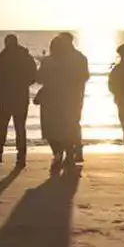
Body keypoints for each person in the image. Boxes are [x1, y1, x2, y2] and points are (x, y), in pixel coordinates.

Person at [36, 33, 90, 173]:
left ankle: (61, 154)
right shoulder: (75, 59)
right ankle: (70, 154)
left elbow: (40, 78)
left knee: (51, 129)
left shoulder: (49, 61)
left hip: (52, 100)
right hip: (70, 99)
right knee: (66, 128)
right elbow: (83, 77)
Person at [0, 34, 38, 166]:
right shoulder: (25, 56)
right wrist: (24, 84)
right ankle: (21, 157)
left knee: (3, 126)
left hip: (6, 97)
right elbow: (34, 75)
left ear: (6, 43)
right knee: (20, 127)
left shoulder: (2, 57)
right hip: (21, 96)